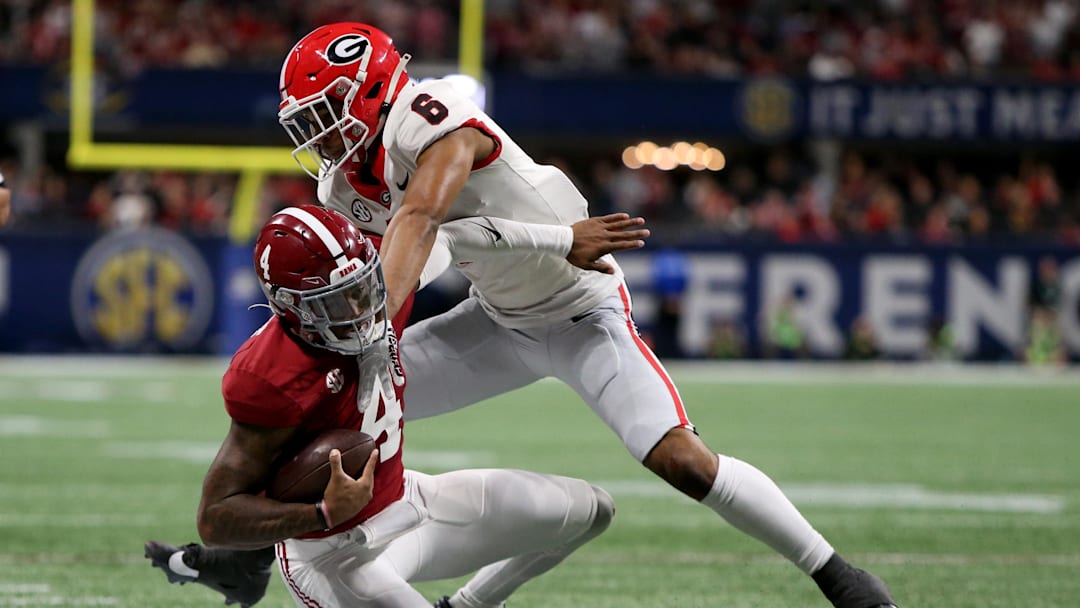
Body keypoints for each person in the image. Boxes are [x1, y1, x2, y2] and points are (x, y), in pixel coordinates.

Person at [149, 22, 898, 608]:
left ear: (375, 94)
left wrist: (380, 332)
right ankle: (243, 560)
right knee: (331, 393)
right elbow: (426, 254)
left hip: (581, 313)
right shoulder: (344, 185)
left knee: (682, 462)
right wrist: (360, 351)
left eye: (327, 115)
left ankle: (839, 577)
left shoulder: (434, 120)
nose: (316, 137)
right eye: (305, 121)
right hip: (497, 321)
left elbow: (421, 222)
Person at [185, 204, 614, 608]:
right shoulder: (270, 376)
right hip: (336, 556)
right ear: (290, 306)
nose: (360, 308)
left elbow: (450, 232)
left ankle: (470, 604)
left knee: (591, 510)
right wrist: (320, 512)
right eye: (336, 301)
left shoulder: (382, 290)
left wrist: (561, 239)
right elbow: (216, 518)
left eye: (361, 288)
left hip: (409, 501)